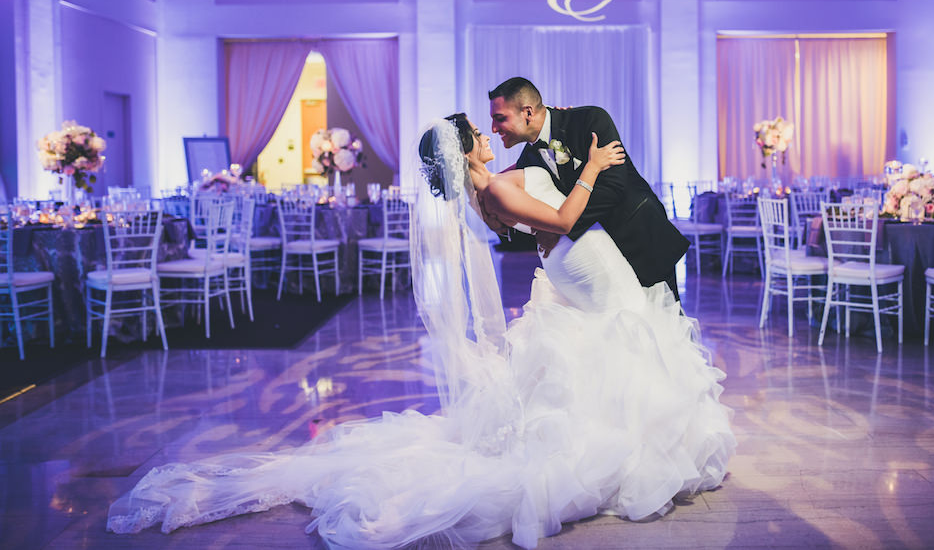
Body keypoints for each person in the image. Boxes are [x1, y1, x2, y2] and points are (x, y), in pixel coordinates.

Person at [107, 115, 734, 549]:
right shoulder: (495, 192)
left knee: (605, 350)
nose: (489, 136)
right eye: (477, 134)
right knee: (611, 348)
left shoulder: (494, 183)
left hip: (576, 270)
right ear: (466, 156)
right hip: (578, 258)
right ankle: (622, 442)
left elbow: (536, 194)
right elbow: (567, 217)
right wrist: (593, 165)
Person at [488, 76, 689, 299]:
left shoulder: (589, 120)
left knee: (663, 324)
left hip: (640, 239)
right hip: (600, 260)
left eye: (500, 119)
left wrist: (560, 227)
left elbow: (614, 187)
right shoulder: (528, 161)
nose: (494, 128)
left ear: (527, 112)